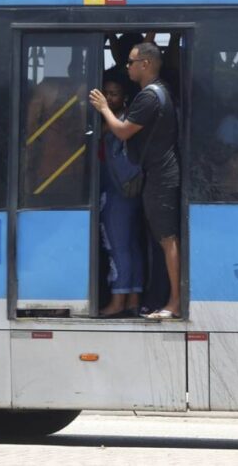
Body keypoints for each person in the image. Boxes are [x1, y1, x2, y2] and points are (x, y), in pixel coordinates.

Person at [89, 42, 181, 320]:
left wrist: (104, 108)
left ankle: (175, 303)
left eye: (130, 62)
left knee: (167, 240)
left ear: (146, 64)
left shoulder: (149, 97)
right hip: (158, 175)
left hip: (160, 177)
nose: (126, 67)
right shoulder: (159, 92)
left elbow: (123, 131)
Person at [98, 70, 143, 317]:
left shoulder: (119, 121)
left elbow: (102, 135)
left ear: (125, 96)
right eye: (105, 93)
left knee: (117, 247)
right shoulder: (125, 117)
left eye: (113, 94)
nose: (108, 98)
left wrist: (103, 109)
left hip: (117, 193)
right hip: (128, 192)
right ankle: (133, 298)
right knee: (131, 246)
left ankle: (117, 300)